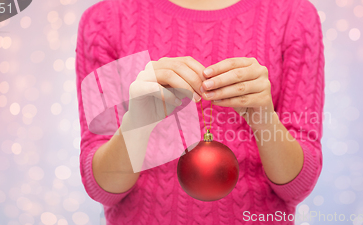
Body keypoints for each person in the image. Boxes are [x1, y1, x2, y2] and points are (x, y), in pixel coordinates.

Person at [75, 0, 324, 224]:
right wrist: (137, 123)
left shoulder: (294, 15)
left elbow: (297, 187)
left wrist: (264, 120)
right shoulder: (104, 21)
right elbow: (102, 188)